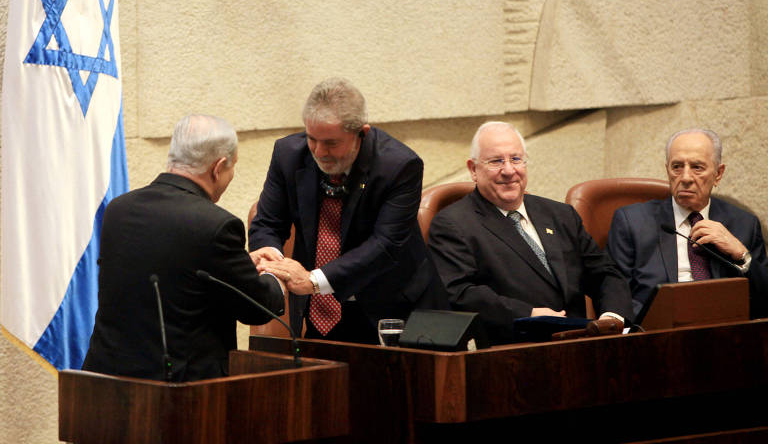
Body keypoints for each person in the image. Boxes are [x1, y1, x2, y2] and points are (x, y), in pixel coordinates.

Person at [83, 115, 284, 381]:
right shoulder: (216, 225)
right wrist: (274, 273)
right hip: (181, 390)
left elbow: (174, 270)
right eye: (232, 167)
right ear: (218, 167)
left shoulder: (119, 210)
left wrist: (241, 262)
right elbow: (255, 308)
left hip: (106, 381)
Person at [249, 77, 448, 343]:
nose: (319, 152)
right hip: (318, 309)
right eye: (311, 139)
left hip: (393, 309)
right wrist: (271, 260)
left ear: (361, 134)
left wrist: (313, 280)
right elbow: (268, 223)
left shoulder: (399, 165)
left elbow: (385, 245)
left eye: (331, 143)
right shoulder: (288, 154)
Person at [427, 121, 632, 344]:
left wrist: (612, 318)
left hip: (579, 345)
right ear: (473, 169)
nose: (509, 170)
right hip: (512, 350)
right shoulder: (453, 224)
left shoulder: (560, 215)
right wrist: (528, 315)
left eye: (516, 159)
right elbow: (460, 293)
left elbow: (605, 273)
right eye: (496, 161)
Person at [607, 128, 768, 318]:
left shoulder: (744, 224)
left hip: (725, 328)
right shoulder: (632, 221)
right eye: (677, 167)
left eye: (697, 167)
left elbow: (763, 300)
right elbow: (616, 295)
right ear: (667, 170)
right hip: (658, 329)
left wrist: (742, 255)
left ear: (718, 173)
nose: (685, 178)